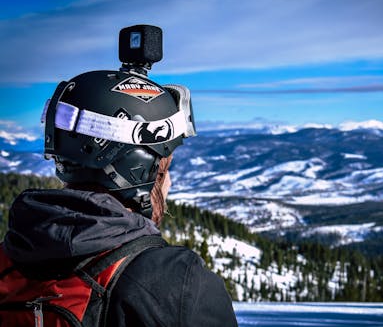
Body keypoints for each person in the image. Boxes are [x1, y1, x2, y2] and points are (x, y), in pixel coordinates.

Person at [0, 26, 238, 326]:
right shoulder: (177, 284)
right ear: (138, 168)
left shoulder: (8, 261)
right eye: (165, 168)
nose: (169, 182)